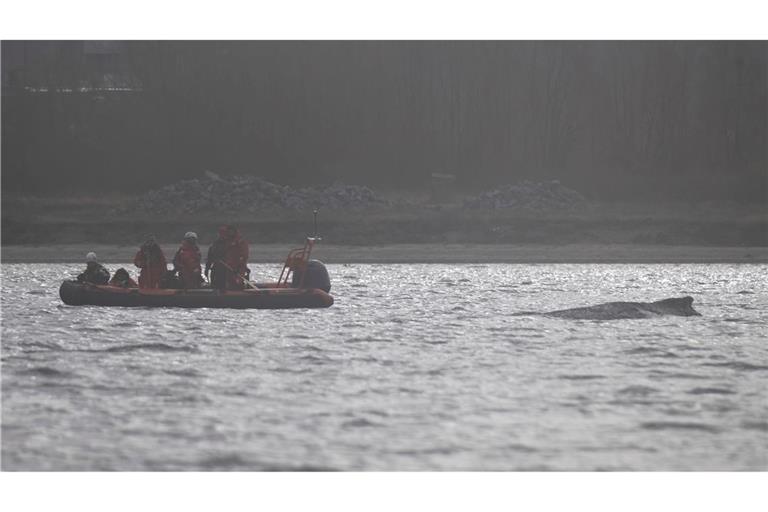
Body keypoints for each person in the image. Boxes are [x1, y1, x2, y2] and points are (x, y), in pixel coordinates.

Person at [205, 225, 249, 290]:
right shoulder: (217, 244)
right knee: (219, 283)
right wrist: (207, 268)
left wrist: (240, 266)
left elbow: (243, 256)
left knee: (234, 283)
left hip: (231, 268)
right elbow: (211, 257)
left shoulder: (237, 242)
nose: (221, 235)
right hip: (220, 268)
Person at [205, 226, 229, 290]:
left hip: (227, 269)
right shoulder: (214, 244)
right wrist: (207, 269)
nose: (222, 235)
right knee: (215, 285)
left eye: (224, 233)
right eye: (221, 233)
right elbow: (210, 258)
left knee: (225, 285)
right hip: (216, 269)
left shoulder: (231, 244)